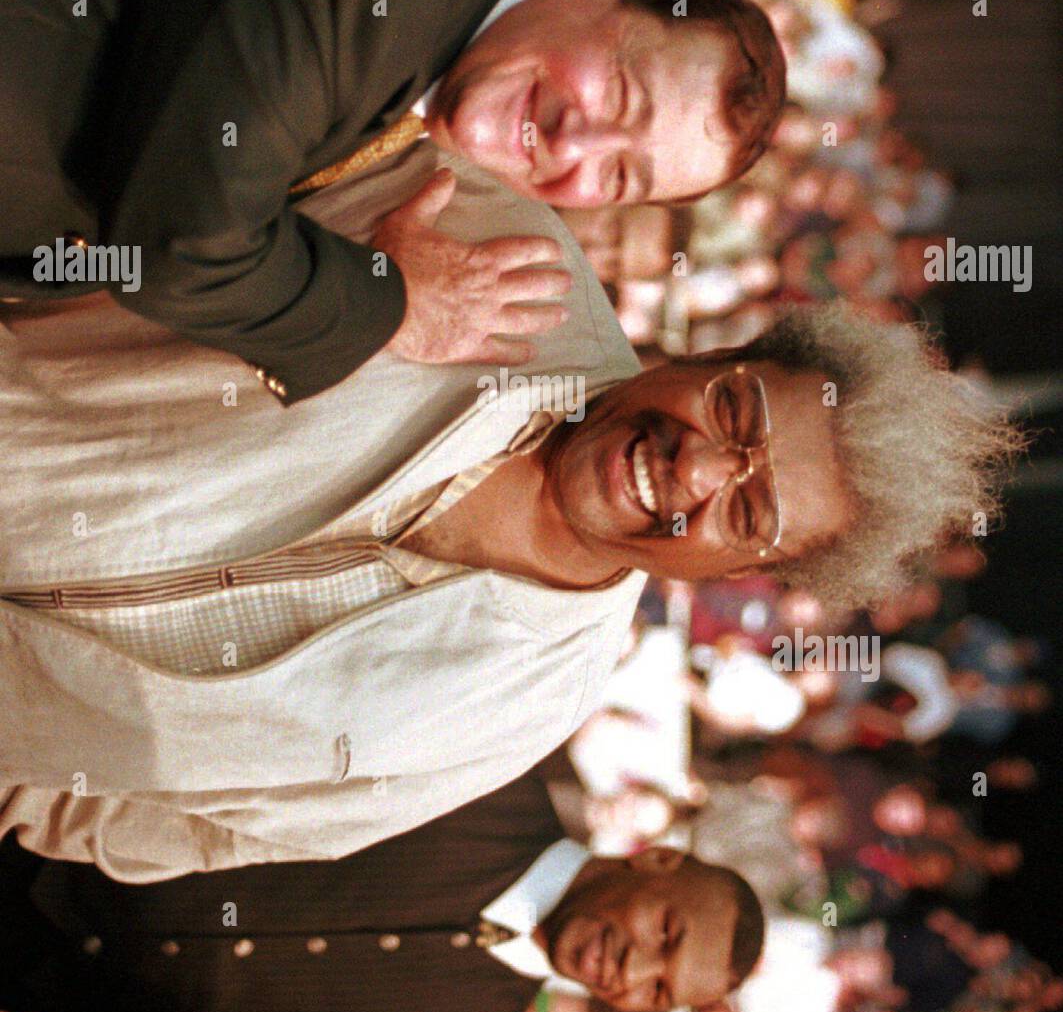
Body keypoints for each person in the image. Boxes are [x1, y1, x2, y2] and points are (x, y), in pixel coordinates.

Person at [0, 128, 1018, 882]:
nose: (698, 468)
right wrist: (360, 285)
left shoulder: (527, 712)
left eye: (748, 511)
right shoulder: (500, 246)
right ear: (713, 351)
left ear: (747, 572)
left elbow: (209, 831)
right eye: (731, 409)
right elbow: (160, 193)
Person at [0, 0, 785, 404]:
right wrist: (394, 304)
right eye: (619, 94)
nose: (575, 141)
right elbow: (181, 244)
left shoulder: (422, 78)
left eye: (617, 174)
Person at [14, 765, 764, 1012]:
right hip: (34, 825)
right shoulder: (485, 780)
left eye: (656, 990)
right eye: (665, 933)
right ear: (657, 859)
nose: (633, 970)